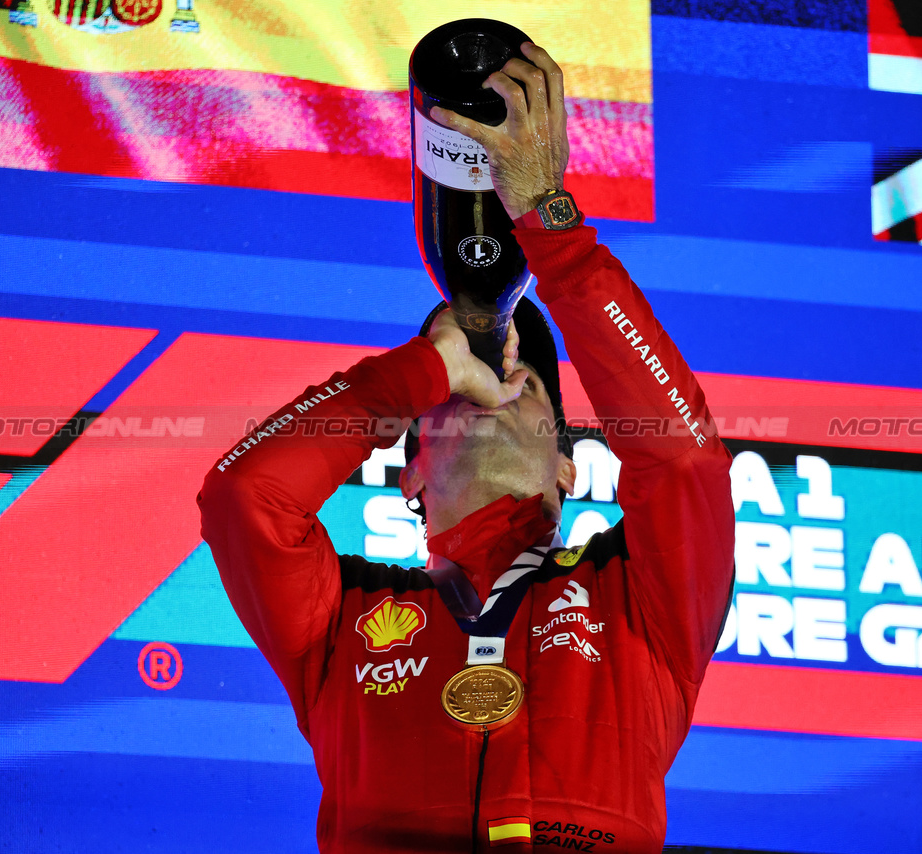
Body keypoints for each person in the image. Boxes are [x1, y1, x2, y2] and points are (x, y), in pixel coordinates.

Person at [197, 41, 735, 853]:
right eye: (459, 388)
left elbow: (683, 458)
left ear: (569, 464)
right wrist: (422, 369)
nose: (494, 384)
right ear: (409, 471)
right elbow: (246, 499)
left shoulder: (645, 608)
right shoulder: (341, 622)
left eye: (524, 383)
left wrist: (550, 220)